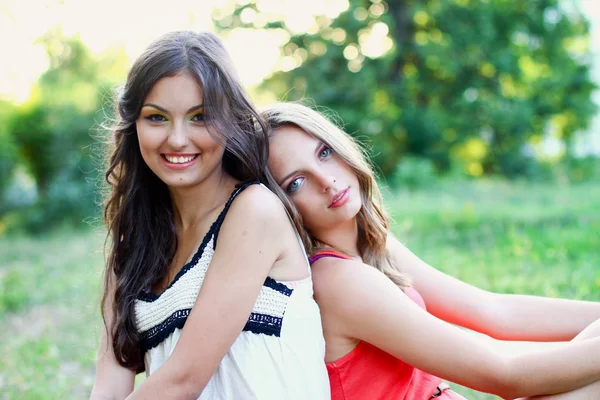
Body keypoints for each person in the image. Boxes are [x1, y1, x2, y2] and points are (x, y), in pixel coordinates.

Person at [262, 102, 600, 400]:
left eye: (324, 153)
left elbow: (495, 313)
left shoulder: (364, 242)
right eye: (297, 182)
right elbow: (505, 377)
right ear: (281, 205)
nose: (327, 181)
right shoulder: (338, 280)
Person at [89, 33, 330, 400]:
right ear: (133, 124)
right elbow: (108, 384)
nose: (177, 139)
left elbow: (184, 379)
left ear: (230, 120)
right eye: (157, 118)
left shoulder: (253, 210)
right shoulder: (133, 245)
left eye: (200, 117)